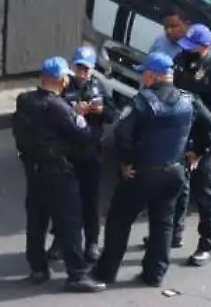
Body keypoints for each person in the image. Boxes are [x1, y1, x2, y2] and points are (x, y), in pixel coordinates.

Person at [93, 52, 211, 289]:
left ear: (153, 75)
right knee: (163, 223)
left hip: (142, 172)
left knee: (119, 221)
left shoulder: (143, 101)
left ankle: (105, 272)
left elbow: (121, 134)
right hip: (174, 172)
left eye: (145, 73)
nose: (143, 77)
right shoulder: (189, 99)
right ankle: (155, 274)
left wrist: (127, 161)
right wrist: (198, 151)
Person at [11, 57, 106, 293]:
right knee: (70, 222)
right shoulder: (59, 107)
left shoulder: (25, 100)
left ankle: (38, 268)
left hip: (33, 170)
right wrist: (80, 114)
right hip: (58, 172)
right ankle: (77, 274)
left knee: (36, 221)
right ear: (61, 79)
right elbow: (83, 134)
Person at [170, 22, 211, 266]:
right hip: (180, 134)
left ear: (205, 47)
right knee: (175, 187)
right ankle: (174, 232)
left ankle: (207, 244)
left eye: (193, 47)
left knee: (205, 193)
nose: (188, 50)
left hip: (202, 138)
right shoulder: (182, 58)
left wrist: (199, 147)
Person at [59, 45, 114, 266]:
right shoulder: (64, 85)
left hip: (91, 151)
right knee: (64, 201)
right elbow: (54, 113)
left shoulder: (99, 86)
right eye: (79, 68)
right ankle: (61, 241)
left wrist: (99, 111)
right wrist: (73, 111)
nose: (82, 73)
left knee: (90, 201)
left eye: (86, 69)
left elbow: (113, 114)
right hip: (68, 152)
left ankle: (92, 242)